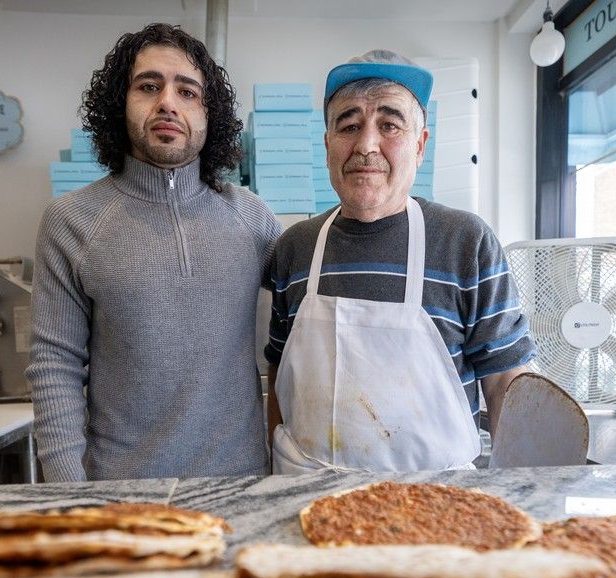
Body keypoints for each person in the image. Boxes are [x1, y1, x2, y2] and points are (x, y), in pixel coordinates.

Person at [28, 24, 281, 481]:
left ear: (209, 114)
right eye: (148, 86)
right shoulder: (71, 220)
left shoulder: (252, 217)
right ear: (119, 104)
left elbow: (309, 318)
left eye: (188, 92)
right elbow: (54, 364)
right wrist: (68, 491)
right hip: (121, 490)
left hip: (241, 485)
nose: (168, 102)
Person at [265, 50, 535, 474]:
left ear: (420, 145)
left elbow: (506, 384)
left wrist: (520, 492)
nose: (366, 145)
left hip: (434, 499)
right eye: (349, 126)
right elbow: (280, 373)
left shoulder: (466, 242)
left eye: (389, 125)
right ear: (328, 145)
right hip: (304, 491)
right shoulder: (294, 248)